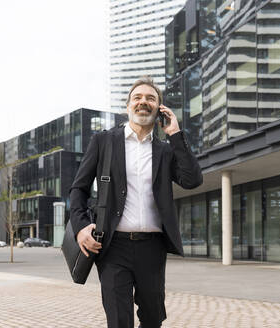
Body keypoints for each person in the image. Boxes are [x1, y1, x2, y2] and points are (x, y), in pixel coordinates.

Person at [69, 76, 203, 328]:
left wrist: (175, 135)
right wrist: (81, 227)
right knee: (119, 321)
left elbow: (192, 180)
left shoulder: (165, 150)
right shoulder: (104, 141)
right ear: (128, 105)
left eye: (151, 98)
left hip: (152, 249)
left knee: (153, 319)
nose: (143, 102)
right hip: (112, 247)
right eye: (137, 97)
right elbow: (79, 189)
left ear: (159, 108)